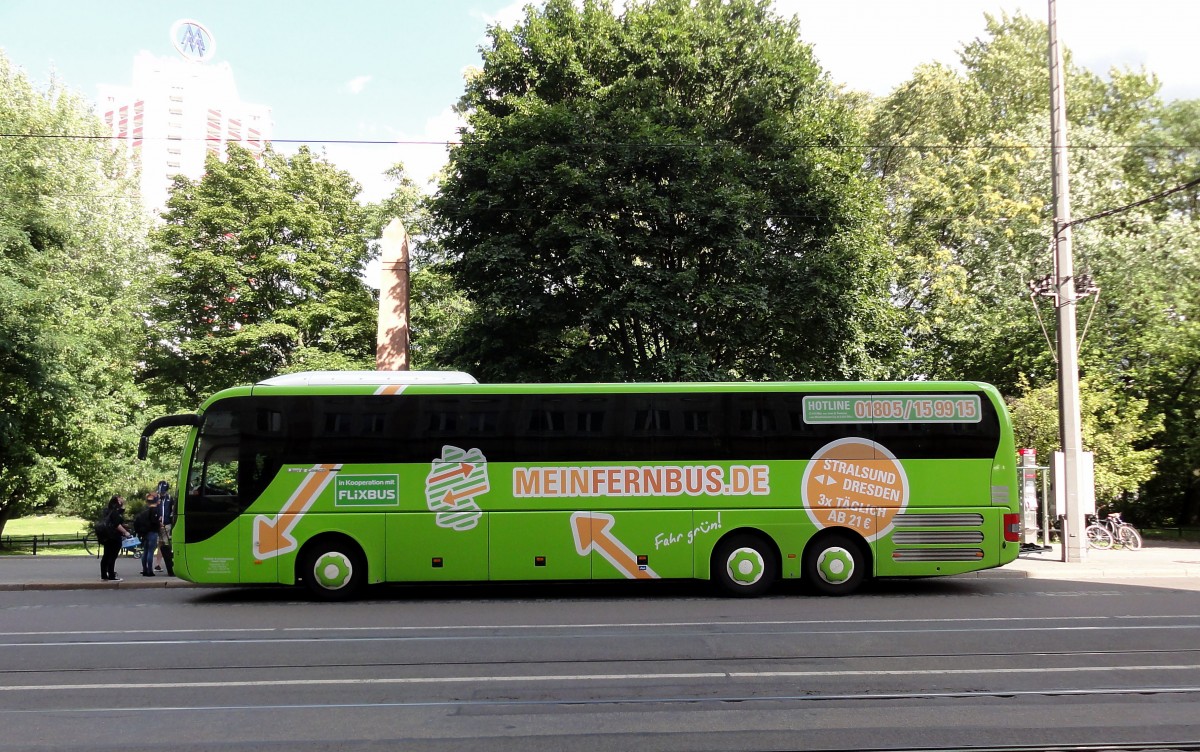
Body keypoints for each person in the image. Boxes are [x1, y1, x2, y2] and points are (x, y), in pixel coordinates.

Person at [98, 495, 130, 582]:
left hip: (106, 536)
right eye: (120, 501)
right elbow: (117, 525)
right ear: (116, 503)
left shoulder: (106, 511)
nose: (121, 502)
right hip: (114, 537)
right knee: (112, 556)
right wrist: (125, 532)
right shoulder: (115, 513)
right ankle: (111, 575)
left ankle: (104, 574)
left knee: (106, 555)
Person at [135, 494, 162, 577]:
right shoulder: (155, 511)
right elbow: (154, 522)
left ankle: (144, 569)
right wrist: (159, 523)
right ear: (156, 501)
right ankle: (150, 571)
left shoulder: (144, 511)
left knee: (145, 552)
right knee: (151, 551)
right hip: (152, 532)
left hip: (145, 533)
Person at [153, 481, 175, 576]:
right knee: (159, 544)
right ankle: (157, 564)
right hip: (156, 525)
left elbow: (173, 510)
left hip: (166, 524)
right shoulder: (154, 497)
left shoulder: (170, 498)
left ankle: (162, 564)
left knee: (163, 544)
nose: (162, 493)